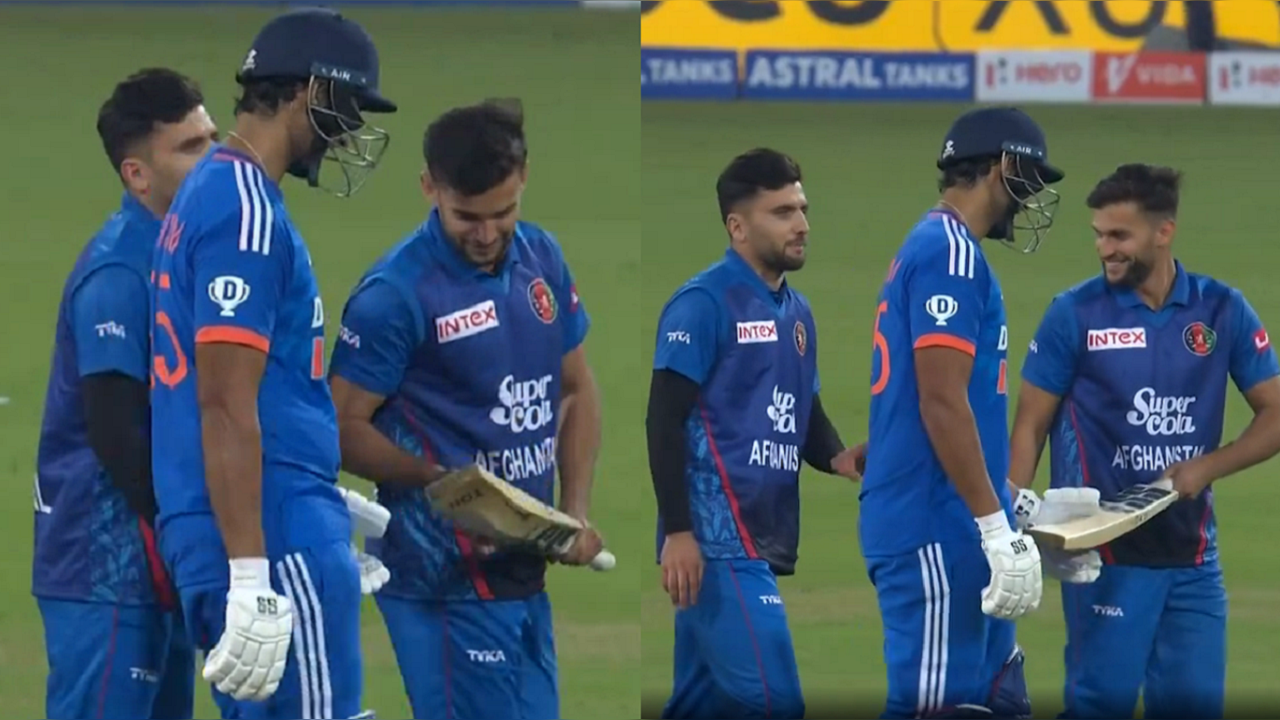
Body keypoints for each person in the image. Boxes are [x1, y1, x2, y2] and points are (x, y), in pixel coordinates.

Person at [148, 8, 397, 718]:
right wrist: (258, 569)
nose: (350, 129)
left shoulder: (201, 196)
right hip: (267, 532)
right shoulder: (245, 214)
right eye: (345, 106)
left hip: (216, 524)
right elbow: (225, 401)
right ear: (308, 92)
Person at [327, 99, 604, 720]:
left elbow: (577, 390)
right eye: (466, 216)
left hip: (524, 572)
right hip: (442, 582)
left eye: (502, 213)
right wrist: (440, 482)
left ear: (524, 178)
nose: (485, 233)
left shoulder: (543, 259)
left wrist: (574, 513)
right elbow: (340, 425)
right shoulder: (394, 296)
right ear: (429, 188)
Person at [1009, 164, 1280, 720]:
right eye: (1099, 235)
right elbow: (1030, 424)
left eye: (1119, 236)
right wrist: (1009, 517)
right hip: (1104, 554)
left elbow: (1275, 412)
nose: (1105, 248)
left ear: (1164, 232)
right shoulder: (1074, 314)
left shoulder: (1221, 310)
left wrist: (1207, 467)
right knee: (1099, 705)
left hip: (1193, 558)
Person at [860, 106, 1065, 719]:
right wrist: (994, 526)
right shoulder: (947, 253)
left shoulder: (946, 251)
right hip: (935, 527)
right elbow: (941, 400)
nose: (1030, 198)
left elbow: (960, 402)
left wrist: (1014, 503)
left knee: (998, 698)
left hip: (958, 517)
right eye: (1028, 179)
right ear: (1002, 166)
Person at [646, 148, 861, 720]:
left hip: (755, 540)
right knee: (775, 701)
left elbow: (801, 405)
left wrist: (837, 456)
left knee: (699, 704)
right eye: (782, 211)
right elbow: (662, 420)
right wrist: (679, 533)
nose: (802, 224)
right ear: (737, 226)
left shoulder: (797, 313)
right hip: (717, 544)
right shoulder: (703, 304)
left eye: (802, 208)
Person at [33, 67, 216, 720]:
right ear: (138, 175)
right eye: (191, 148)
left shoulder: (182, 253)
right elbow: (116, 434)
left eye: (212, 138)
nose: (215, 159)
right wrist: (200, 531)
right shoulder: (119, 272)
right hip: (104, 570)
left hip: (155, 565)